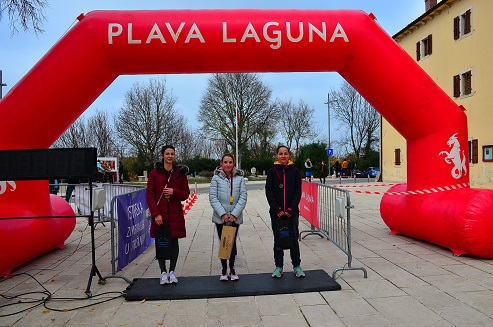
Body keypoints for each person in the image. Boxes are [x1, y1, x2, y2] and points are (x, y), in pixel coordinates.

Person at [146, 145, 190, 285]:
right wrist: (156, 214)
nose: (170, 156)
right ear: (162, 156)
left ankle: (172, 271)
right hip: (160, 214)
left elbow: (186, 194)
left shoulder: (180, 173)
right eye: (167, 154)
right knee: (161, 242)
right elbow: (150, 195)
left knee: (174, 243)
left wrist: (174, 192)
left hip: (175, 214)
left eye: (172, 154)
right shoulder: (154, 173)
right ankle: (163, 272)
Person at [265, 145, 305, 278]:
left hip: (291, 213)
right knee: (278, 238)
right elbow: (269, 191)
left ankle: (296, 265)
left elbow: (298, 191)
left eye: (285, 154)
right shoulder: (271, 172)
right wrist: (277, 209)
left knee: (293, 238)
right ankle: (278, 266)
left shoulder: (295, 171)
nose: (283, 156)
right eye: (280, 154)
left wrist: (290, 209)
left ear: (289, 155)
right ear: (276, 155)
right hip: (276, 213)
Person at [209, 154, 247, 281]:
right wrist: (223, 214)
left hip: (234, 218)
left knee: (232, 243)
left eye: (230, 162)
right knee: (224, 242)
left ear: (233, 163)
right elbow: (213, 197)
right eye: (225, 162)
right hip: (221, 218)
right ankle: (224, 269)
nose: (228, 165)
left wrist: (234, 214)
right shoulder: (215, 178)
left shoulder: (240, 178)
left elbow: (243, 197)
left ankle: (232, 268)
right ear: (221, 163)